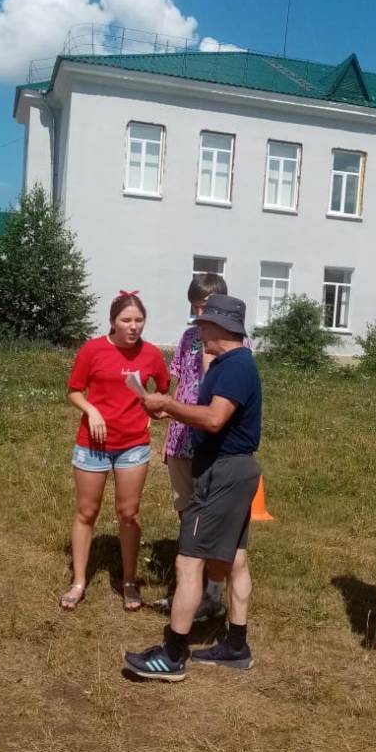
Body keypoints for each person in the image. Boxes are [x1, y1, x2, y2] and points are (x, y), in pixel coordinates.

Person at [123, 294, 262, 681]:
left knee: (188, 562)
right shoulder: (229, 363)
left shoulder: (235, 366)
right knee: (235, 559)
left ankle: (172, 654)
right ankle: (236, 646)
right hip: (232, 470)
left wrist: (168, 405)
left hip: (222, 474)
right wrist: (172, 410)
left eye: (204, 324)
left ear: (223, 328)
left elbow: (215, 419)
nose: (199, 330)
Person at [61, 291, 170, 612]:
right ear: (112, 322)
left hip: (133, 445)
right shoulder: (92, 349)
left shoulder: (151, 354)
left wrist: (153, 411)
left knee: (129, 513)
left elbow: (163, 390)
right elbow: (74, 391)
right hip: (92, 445)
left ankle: (129, 580)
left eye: (139, 320)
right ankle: (79, 581)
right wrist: (91, 410)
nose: (133, 326)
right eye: (126, 320)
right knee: (86, 512)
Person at [161, 271, 232, 621]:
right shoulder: (189, 336)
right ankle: (189, 586)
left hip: (212, 442)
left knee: (212, 516)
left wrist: (209, 354)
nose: (198, 314)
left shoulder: (234, 344)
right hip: (180, 438)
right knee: (185, 510)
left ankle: (213, 592)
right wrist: (167, 430)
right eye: (194, 307)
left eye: (204, 307)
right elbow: (178, 382)